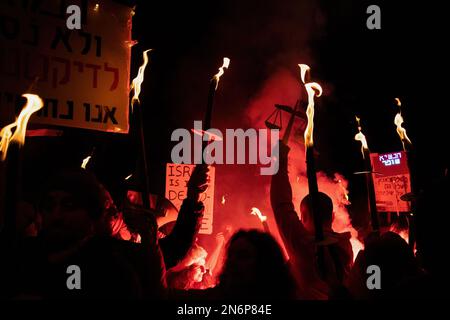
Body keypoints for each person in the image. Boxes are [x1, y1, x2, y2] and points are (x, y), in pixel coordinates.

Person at [270, 141, 353, 299]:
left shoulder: (302, 243)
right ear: (332, 217)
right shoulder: (345, 245)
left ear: (303, 216)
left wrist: (279, 160)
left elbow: (281, 205)